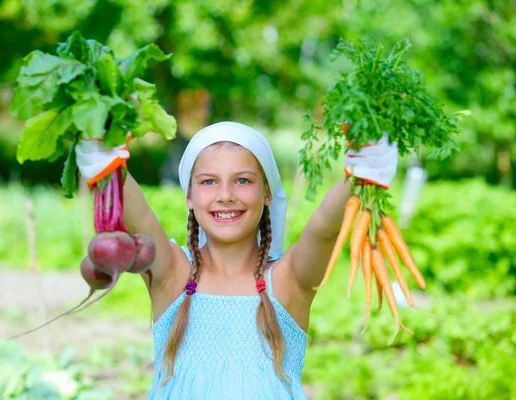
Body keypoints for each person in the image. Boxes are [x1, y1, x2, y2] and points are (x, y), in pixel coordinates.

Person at [117, 121, 398, 399]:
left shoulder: (288, 281)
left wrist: (359, 173)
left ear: (267, 193)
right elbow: (139, 216)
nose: (225, 195)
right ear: (189, 196)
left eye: (242, 180)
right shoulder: (173, 275)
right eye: (209, 181)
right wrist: (108, 158)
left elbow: (324, 227)